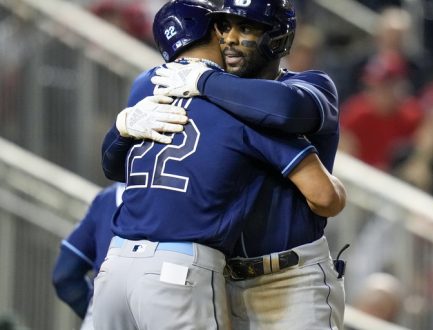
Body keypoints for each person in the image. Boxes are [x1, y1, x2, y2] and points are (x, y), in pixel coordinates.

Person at [95, 1, 346, 329]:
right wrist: (123, 127)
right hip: (217, 277)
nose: (229, 38)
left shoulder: (310, 84)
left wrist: (205, 81)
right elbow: (119, 169)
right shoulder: (190, 85)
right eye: (223, 26)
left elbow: (285, 109)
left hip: (289, 279)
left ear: (278, 37)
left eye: (245, 28)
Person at [52, 183, 124, 330]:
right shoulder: (179, 199)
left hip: (106, 315)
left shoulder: (108, 198)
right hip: (165, 312)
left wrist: (99, 316)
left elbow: (64, 275)